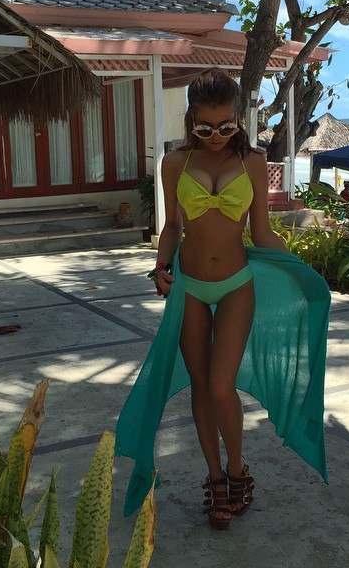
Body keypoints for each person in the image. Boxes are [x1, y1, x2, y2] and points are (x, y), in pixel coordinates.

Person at [115, 68, 330, 530]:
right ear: (191, 119)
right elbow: (172, 227)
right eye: (205, 128)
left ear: (239, 119)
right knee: (200, 387)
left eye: (226, 126)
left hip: (236, 285)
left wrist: (304, 273)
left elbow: (262, 232)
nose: (216, 137)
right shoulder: (175, 163)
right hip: (189, 287)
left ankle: (237, 468)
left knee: (219, 386)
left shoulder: (253, 161)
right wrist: (161, 266)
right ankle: (214, 478)